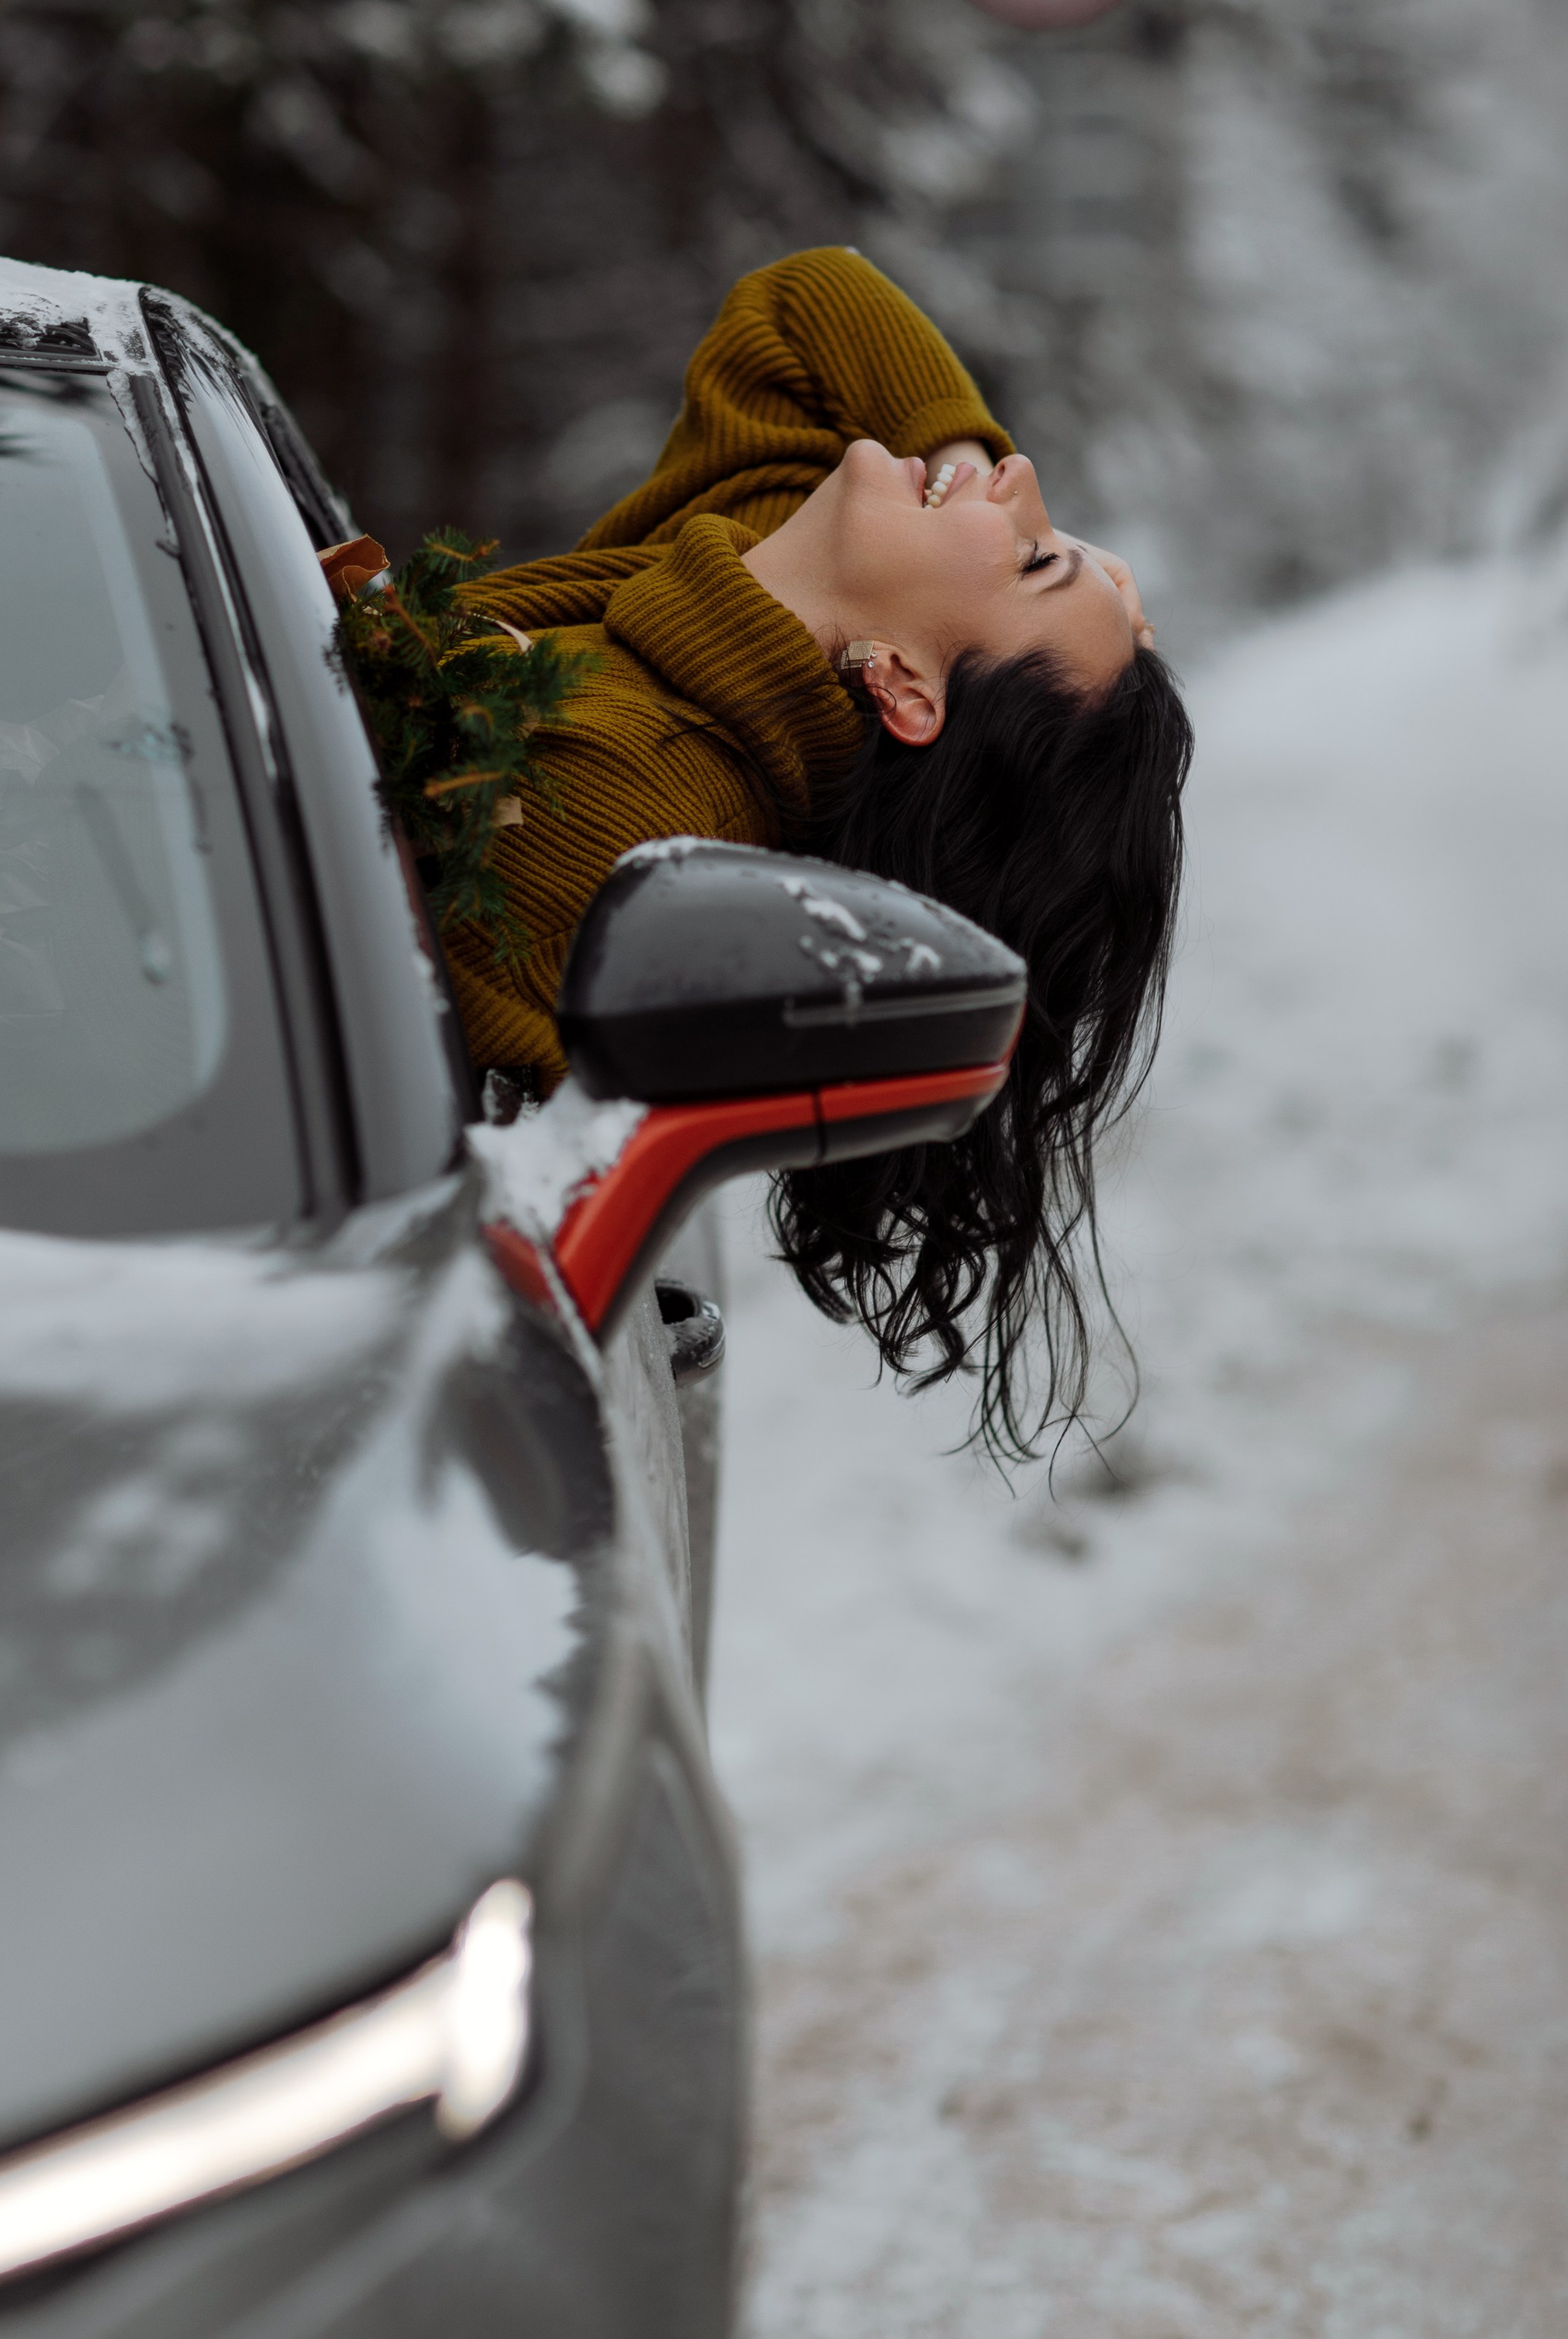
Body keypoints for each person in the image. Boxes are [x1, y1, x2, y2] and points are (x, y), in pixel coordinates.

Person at [439, 244, 1193, 1457]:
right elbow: (808, 301)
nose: (1023, 480)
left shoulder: (631, 797)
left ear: (900, 687)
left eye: (1037, 555)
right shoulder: (748, 552)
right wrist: (972, 489)